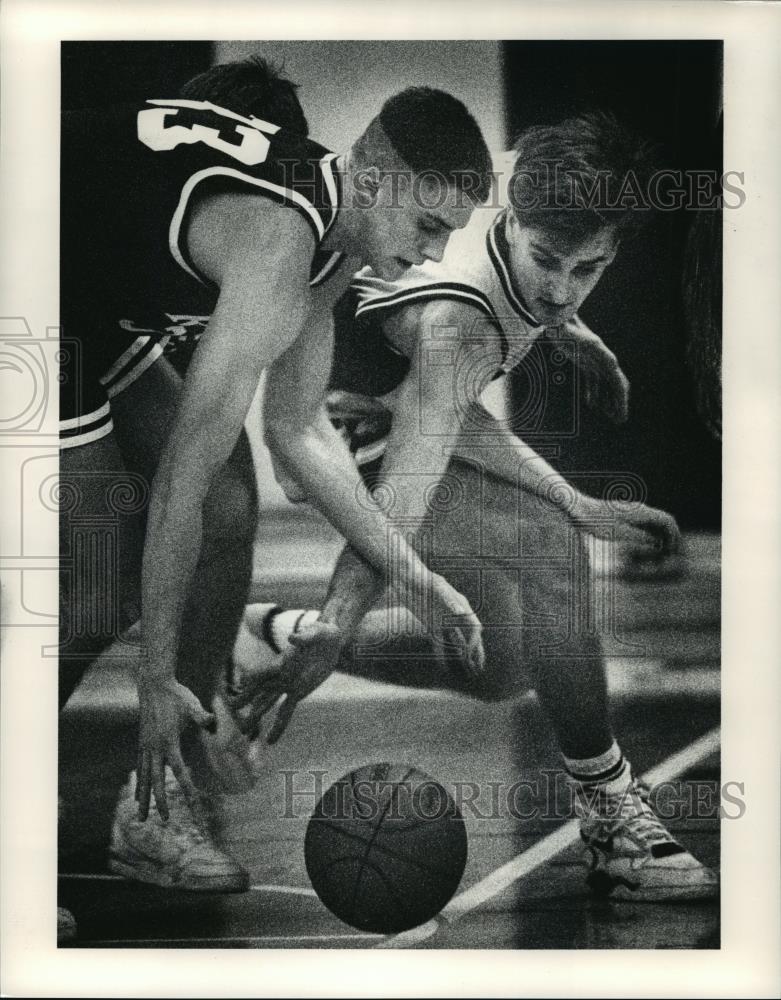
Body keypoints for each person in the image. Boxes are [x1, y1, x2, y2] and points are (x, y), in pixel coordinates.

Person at [237, 111, 718, 901]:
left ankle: (262, 636)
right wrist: (340, 617)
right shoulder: (461, 319)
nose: (561, 286)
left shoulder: (525, 181)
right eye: (547, 263)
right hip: (340, 423)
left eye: (587, 269)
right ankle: (610, 815)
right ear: (512, 217)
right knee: (549, 547)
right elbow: (408, 483)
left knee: (502, 666)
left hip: (418, 399)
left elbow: (459, 394)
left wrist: (566, 330)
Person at [58, 55, 492, 904]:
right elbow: (179, 467)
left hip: (87, 292)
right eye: (430, 222)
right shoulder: (278, 236)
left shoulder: (331, 248)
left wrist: (416, 575)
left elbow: (300, 432)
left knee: (230, 499)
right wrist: (150, 677)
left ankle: (156, 805)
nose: (434, 251)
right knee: (103, 578)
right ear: (372, 174)